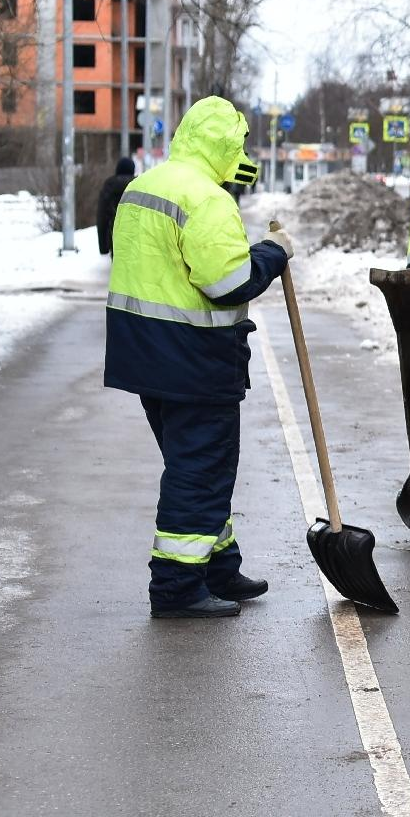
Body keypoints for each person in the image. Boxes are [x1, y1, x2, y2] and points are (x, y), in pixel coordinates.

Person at [105, 95, 293, 619]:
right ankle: (176, 587)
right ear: (226, 146)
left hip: (145, 356)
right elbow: (228, 283)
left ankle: (217, 566)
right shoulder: (206, 199)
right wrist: (273, 254)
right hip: (194, 361)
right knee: (200, 470)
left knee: (194, 467)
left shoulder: (144, 186)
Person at [95, 156, 136, 256]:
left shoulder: (109, 185)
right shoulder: (139, 184)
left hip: (114, 235)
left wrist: (103, 247)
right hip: (136, 236)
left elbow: (102, 215)